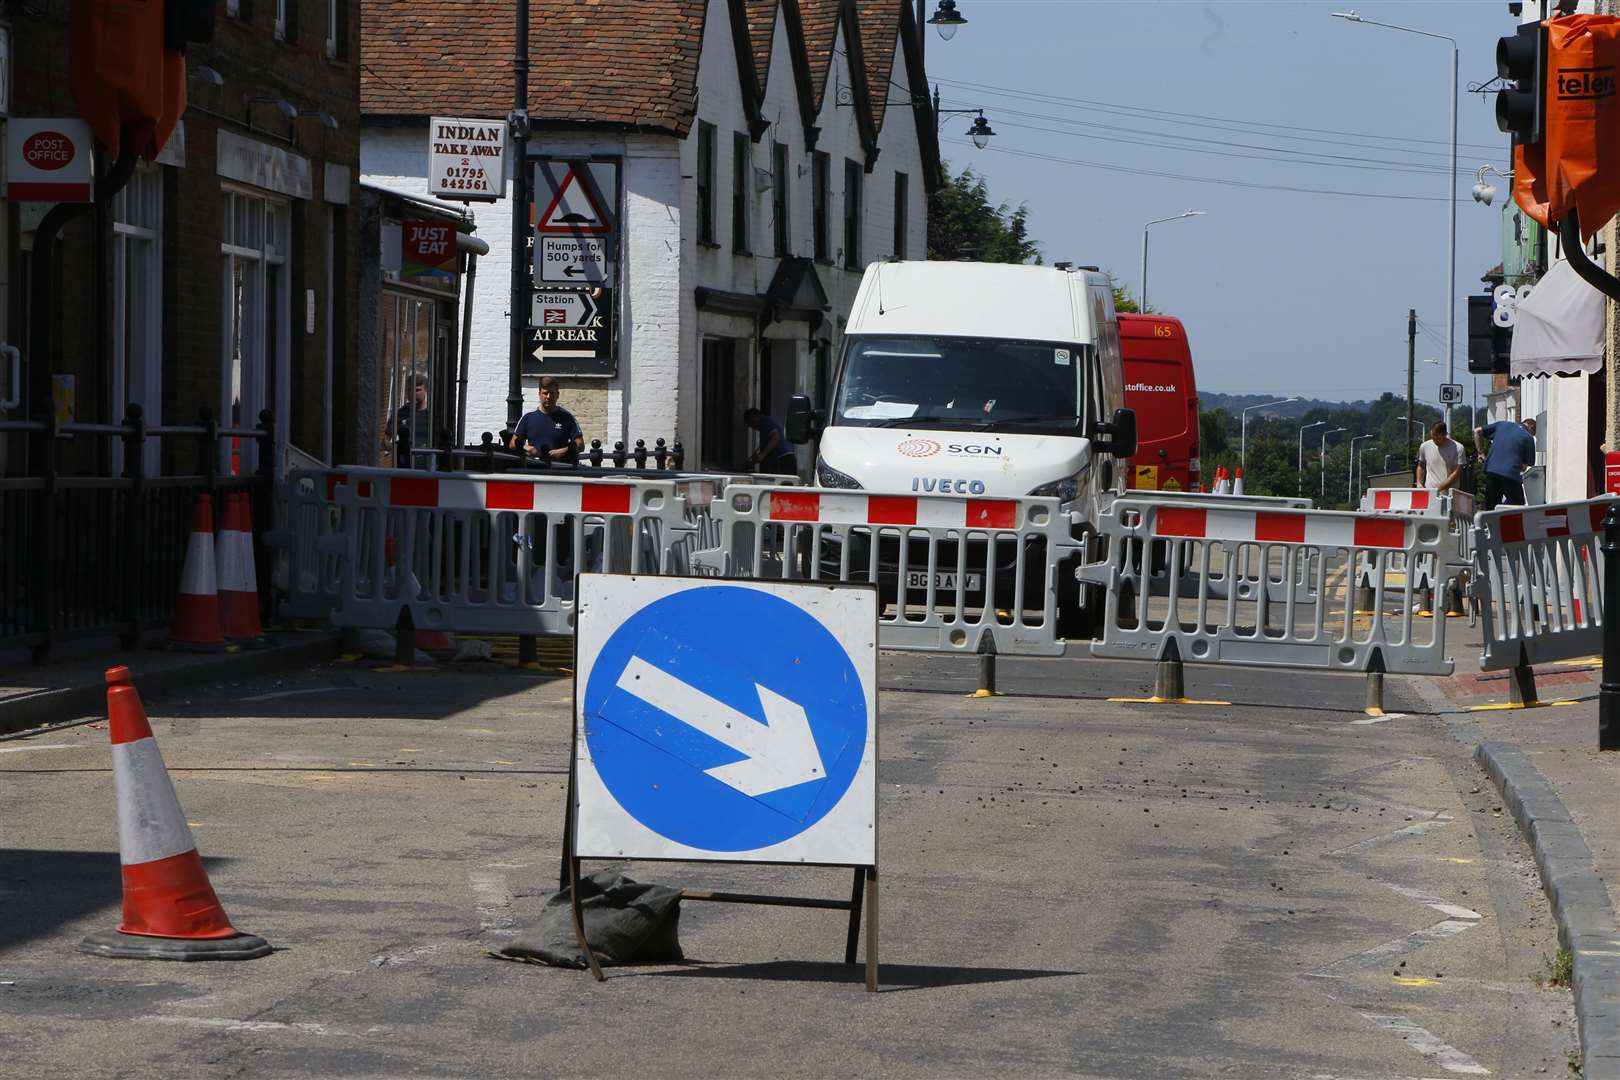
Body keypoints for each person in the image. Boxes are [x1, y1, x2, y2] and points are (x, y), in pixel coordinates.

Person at [510, 376, 585, 463]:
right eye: (545, 393)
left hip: (560, 470)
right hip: (533, 470)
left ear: (558, 394)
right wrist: (526, 448)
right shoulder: (528, 417)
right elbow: (512, 443)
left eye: (552, 393)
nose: (548, 397)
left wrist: (564, 451)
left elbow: (580, 445)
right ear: (539, 394)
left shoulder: (567, 417)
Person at [1474, 416, 1537, 509]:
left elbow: (1477, 431)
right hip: (1510, 475)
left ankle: (1491, 522)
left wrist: (1480, 453)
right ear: (1531, 427)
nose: (1533, 435)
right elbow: (1526, 466)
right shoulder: (1528, 437)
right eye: (1534, 433)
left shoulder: (1502, 424)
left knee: (1491, 507)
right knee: (1517, 506)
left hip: (1492, 471)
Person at [1414, 420, 1466, 493]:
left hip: (1450, 492)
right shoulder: (1424, 446)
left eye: (1438, 438)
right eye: (1433, 438)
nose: (1435, 441)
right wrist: (1419, 482)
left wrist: (1440, 488)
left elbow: (1456, 472)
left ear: (1445, 434)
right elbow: (1421, 466)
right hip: (1429, 490)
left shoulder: (1458, 448)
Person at [744, 407, 797, 474]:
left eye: (751, 422)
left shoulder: (765, 421)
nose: (752, 427)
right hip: (787, 457)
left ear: (755, 416)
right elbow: (766, 446)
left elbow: (775, 438)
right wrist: (754, 460)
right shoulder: (767, 426)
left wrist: (762, 455)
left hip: (782, 458)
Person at [396, 374, 431, 466]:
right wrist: (399, 448)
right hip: (403, 467)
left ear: (426, 390)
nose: (413, 394)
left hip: (427, 469)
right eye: (410, 390)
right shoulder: (400, 413)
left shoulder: (432, 415)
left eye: (418, 390)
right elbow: (385, 441)